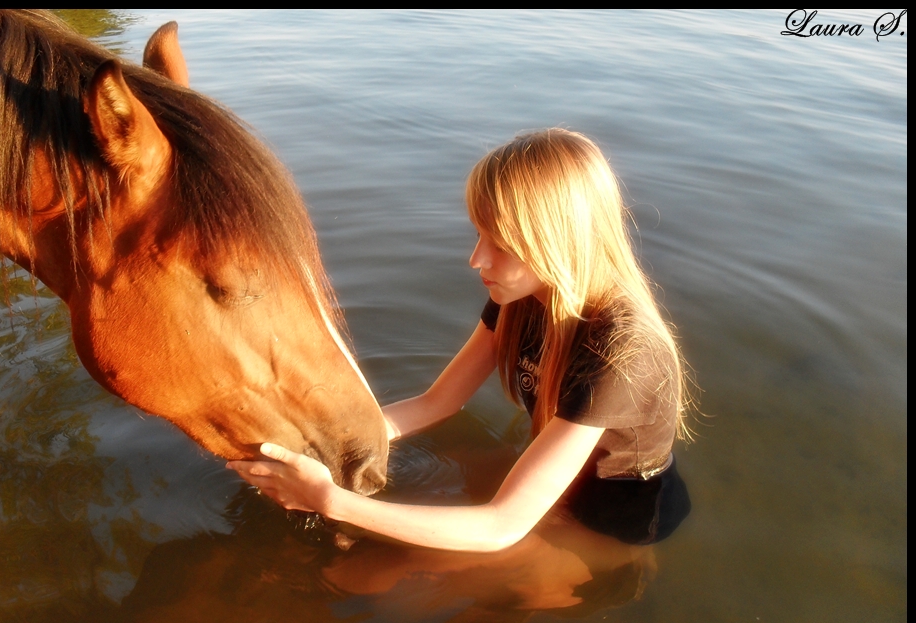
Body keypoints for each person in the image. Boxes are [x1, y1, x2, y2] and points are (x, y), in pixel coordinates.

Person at [228, 129, 691, 552]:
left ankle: (609, 573)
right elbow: (437, 402)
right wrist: (327, 445)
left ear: (558, 243)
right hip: (556, 480)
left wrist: (327, 500)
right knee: (410, 504)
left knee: (370, 578)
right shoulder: (522, 297)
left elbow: (501, 526)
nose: (476, 260)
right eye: (478, 235)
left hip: (615, 518)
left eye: (501, 245)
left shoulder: (622, 354)